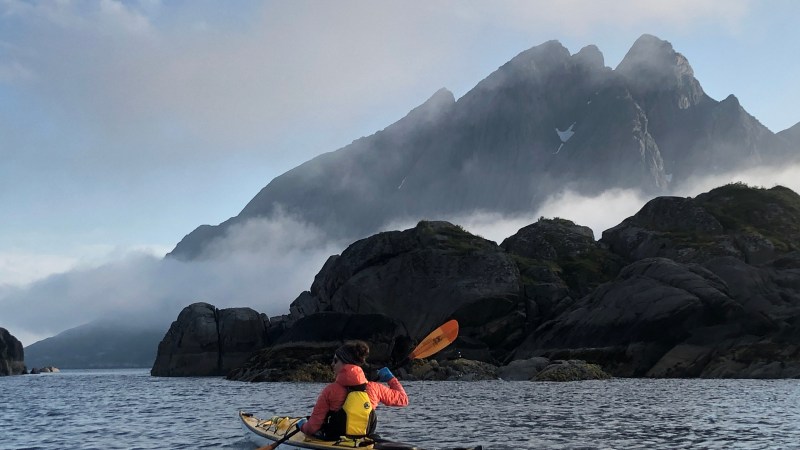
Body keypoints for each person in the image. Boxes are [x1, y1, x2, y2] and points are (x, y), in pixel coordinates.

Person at [296, 340, 408, 440]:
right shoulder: (374, 388)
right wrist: (391, 378)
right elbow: (403, 399)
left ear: (345, 362)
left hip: (334, 440)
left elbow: (312, 427)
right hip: (363, 441)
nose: (332, 364)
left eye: (335, 360)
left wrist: (302, 426)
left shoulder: (330, 390)